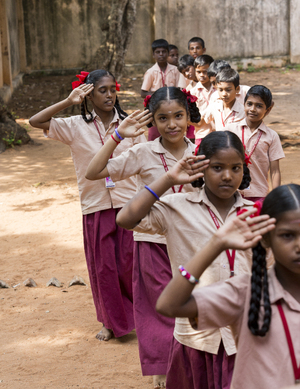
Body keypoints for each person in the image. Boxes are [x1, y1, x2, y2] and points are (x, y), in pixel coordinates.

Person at [116, 131, 256, 389]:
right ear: (201, 167)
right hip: (196, 338)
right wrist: (168, 179)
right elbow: (126, 219)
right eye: (217, 167)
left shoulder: (255, 214)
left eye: (235, 168)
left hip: (244, 338)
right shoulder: (176, 207)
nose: (227, 176)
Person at [85, 86, 201, 389]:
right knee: (159, 309)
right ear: (154, 122)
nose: (172, 124)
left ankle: (191, 368)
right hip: (153, 243)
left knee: (193, 307)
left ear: (189, 116)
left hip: (193, 245)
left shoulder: (202, 152)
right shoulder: (142, 152)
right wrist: (118, 136)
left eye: (178, 116)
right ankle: (163, 372)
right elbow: (94, 172)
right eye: (163, 118)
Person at [29, 69, 147, 342]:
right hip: (95, 205)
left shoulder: (131, 123)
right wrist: (68, 101)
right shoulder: (74, 125)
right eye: (101, 90)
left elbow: (143, 161)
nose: (108, 95)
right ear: (89, 95)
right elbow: (37, 121)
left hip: (129, 204)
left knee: (130, 265)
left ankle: (138, 317)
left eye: (112, 89)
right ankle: (109, 322)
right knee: (103, 268)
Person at [156, 183, 300, 389]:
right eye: (287, 235)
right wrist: (217, 243)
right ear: (266, 238)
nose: (298, 246)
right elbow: (169, 306)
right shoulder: (244, 292)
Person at [226, 85, 285, 203]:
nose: (253, 109)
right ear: (244, 104)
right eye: (249, 104)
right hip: (232, 192)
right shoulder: (230, 130)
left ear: (267, 110)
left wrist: (276, 197)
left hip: (259, 193)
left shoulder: (272, 136)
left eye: (259, 106)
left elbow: (275, 171)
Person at [141, 39, 186, 141]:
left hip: (172, 106)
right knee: (154, 134)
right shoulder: (151, 72)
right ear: (153, 55)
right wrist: (159, 93)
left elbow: (181, 89)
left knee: (172, 131)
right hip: (156, 107)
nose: (161, 54)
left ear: (167, 53)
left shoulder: (175, 70)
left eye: (164, 52)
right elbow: (143, 92)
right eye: (158, 52)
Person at [189, 55, 216, 146]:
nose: (201, 75)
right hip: (202, 135)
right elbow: (189, 118)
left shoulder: (219, 89)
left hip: (220, 132)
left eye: (205, 72)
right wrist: (199, 122)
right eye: (198, 72)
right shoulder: (192, 93)